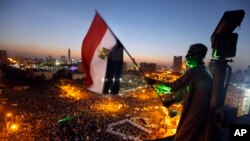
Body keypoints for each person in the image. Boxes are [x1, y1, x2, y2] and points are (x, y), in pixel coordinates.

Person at [147, 43, 213, 141]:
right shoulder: (205, 72)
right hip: (199, 113)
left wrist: (155, 82)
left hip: (195, 114)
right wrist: (172, 101)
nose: (186, 57)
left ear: (199, 56)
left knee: (184, 137)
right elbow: (185, 90)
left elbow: (174, 87)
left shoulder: (194, 72)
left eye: (190, 54)